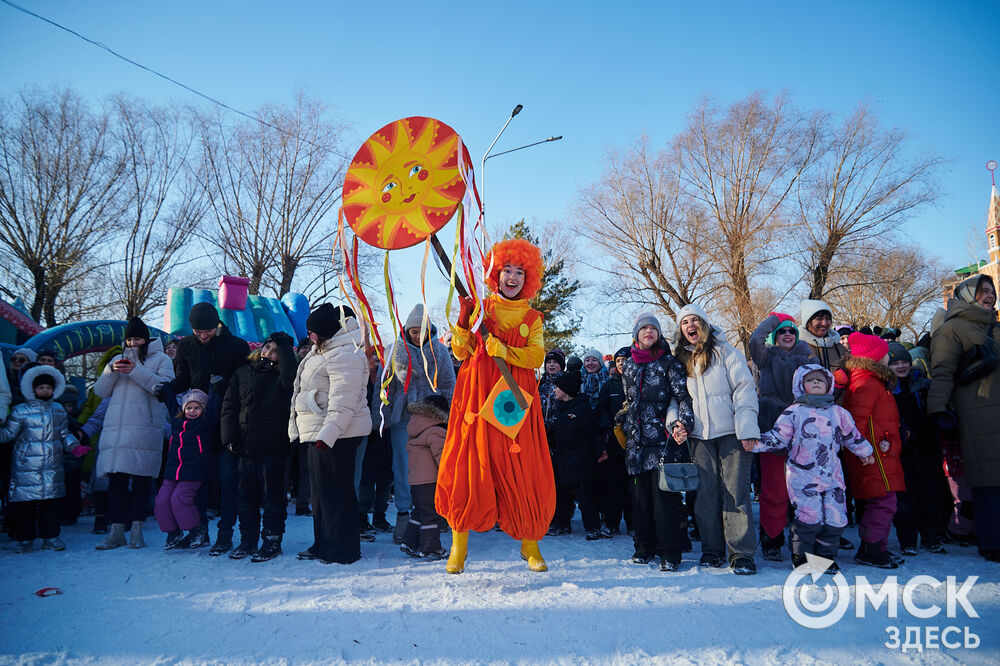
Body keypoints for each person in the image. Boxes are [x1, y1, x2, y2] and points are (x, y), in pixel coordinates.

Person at [436, 238, 556, 574]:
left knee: (522, 468)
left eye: (520, 271)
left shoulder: (532, 317)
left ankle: (530, 545)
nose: (513, 277)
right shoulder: (481, 308)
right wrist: (462, 322)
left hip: (512, 397)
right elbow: (460, 352)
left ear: (528, 277)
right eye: (507, 270)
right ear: (496, 274)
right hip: (476, 394)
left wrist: (504, 351)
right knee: (469, 464)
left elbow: (537, 356)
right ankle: (458, 547)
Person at [743, 365, 875, 573]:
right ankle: (802, 556)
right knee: (809, 517)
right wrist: (754, 443)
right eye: (810, 380)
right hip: (803, 477)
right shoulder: (793, 412)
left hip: (833, 477)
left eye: (820, 381)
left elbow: (852, 436)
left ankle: (825, 558)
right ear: (800, 385)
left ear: (829, 385)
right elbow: (778, 437)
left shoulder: (839, 413)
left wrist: (865, 452)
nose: (815, 383)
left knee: (836, 518)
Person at [674, 303, 760, 575]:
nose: (691, 325)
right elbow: (676, 399)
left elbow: (744, 391)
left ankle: (741, 553)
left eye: (695, 320)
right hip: (699, 438)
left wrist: (747, 430)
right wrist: (676, 423)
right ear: (681, 330)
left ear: (705, 324)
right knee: (705, 496)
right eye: (685, 322)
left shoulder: (726, 353)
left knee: (735, 492)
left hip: (732, 434)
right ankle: (712, 550)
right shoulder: (680, 360)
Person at [164, 302, 250, 555]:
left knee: (227, 479)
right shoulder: (187, 346)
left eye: (207, 331)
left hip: (226, 421)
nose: (203, 336)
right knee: (196, 480)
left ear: (217, 325)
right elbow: (182, 379)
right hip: (197, 426)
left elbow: (246, 381)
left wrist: (225, 383)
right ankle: (198, 529)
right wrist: (168, 389)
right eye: (198, 331)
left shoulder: (235, 346)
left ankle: (225, 533)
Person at [290, 304, 370, 565]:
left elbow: (343, 402)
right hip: (318, 431)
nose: (310, 337)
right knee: (321, 493)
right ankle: (323, 541)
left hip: (337, 434)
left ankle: (342, 548)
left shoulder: (346, 355)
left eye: (313, 332)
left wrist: (328, 435)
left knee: (337, 492)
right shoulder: (323, 351)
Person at [928, 274, 1000, 562]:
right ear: (968, 296)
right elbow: (942, 370)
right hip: (977, 411)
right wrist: (938, 409)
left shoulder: (995, 327)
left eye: (991, 290)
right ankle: (992, 541)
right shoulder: (953, 329)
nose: (990, 295)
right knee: (988, 479)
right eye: (982, 291)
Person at [620, 314, 694, 571]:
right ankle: (643, 547)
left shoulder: (668, 363)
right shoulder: (628, 365)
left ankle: (670, 553)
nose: (649, 331)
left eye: (653, 328)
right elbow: (630, 402)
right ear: (636, 334)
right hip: (636, 444)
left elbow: (683, 397)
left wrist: (682, 424)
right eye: (644, 328)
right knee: (640, 499)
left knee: (665, 500)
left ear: (659, 334)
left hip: (662, 442)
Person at [93, 317, 174, 550]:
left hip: (144, 428)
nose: (133, 342)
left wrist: (135, 371)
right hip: (116, 429)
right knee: (116, 481)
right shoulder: (118, 359)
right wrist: (110, 370)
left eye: (137, 338)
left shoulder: (161, 359)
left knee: (141, 480)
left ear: (146, 339)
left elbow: (165, 388)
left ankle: (137, 530)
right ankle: (116, 530)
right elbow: (100, 391)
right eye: (129, 339)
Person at [222, 331, 297, 562]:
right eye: (268, 348)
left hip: (273, 446)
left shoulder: (283, 375)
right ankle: (248, 540)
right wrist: (229, 437)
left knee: (272, 496)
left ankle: (272, 540)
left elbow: (289, 382)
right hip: (245, 445)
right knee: (246, 496)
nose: (269, 353)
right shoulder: (243, 372)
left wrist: (284, 353)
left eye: (276, 351)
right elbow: (230, 406)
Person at [386, 304, 457, 544]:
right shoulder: (396, 351)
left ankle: (436, 512)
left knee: (435, 468)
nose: (417, 335)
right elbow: (386, 386)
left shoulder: (440, 352)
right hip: (404, 418)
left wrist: (449, 416)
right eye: (413, 331)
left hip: (432, 418)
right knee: (404, 469)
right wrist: (382, 416)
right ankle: (404, 514)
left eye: (422, 330)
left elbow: (449, 384)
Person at [748, 312, 816, 561]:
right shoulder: (767, 357)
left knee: (804, 490)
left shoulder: (809, 358)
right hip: (772, 428)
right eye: (782, 332)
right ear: (776, 337)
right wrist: (774, 320)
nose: (787, 334)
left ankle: (803, 541)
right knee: (774, 489)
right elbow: (756, 339)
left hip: (803, 430)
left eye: (791, 331)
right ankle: (771, 537)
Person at [1, 364, 90, 552]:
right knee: (26, 507)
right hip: (26, 467)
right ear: (32, 389)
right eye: (41, 387)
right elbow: (9, 433)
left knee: (51, 505)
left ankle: (51, 537)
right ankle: (25, 539)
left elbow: (64, 434)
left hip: (52, 466)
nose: (45, 390)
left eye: (48, 387)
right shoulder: (20, 410)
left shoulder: (57, 410)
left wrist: (74, 447)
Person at [843, 332, 905, 569]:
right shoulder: (866, 383)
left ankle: (876, 547)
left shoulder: (873, 381)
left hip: (881, 452)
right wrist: (863, 450)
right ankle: (871, 548)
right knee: (883, 501)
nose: (889, 357)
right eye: (886, 354)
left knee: (882, 501)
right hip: (873, 455)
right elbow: (856, 423)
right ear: (875, 358)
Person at [887, 342, 949, 556]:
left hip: (926, 446)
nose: (902, 366)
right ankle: (908, 538)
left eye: (904, 361)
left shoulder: (922, 384)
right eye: (896, 363)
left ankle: (932, 535)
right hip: (900, 450)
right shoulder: (887, 388)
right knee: (905, 497)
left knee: (930, 493)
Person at [546, 371, 606, 541]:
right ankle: (561, 523)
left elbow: (591, 432)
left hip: (580, 459)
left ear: (566, 389)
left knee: (584, 495)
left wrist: (599, 450)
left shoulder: (582, 407)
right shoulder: (559, 408)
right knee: (561, 493)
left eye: (557, 387)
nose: (554, 390)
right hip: (562, 459)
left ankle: (593, 527)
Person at [156, 389, 214, 549]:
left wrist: (215, 389)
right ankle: (173, 532)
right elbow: (170, 402)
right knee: (161, 501)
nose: (192, 411)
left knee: (179, 499)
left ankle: (196, 530)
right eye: (189, 408)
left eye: (197, 408)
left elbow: (214, 409)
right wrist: (165, 389)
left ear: (203, 410)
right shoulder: (177, 425)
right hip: (172, 471)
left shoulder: (204, 425)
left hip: (193, 472)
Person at [400, 394, 450, 559]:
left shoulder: (416, 427)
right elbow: (441, 454)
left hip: (415, 479)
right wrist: (449, 471)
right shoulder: (435, 430)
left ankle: (409, 541)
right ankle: (431, 546)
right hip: (430, 479)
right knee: (430, 513)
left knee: (419, 511)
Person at [595, 346, 631, 536]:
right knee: (613, 485)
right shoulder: (609, 385)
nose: (622, 364)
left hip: (636, 442)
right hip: (614, 441)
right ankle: (611, 522)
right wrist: (607, 428)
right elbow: (601, 409)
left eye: (625, 360)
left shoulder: (637, 381)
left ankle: (634, 524)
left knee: (633, 488)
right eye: (618, 361)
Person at [798, 300, 849, 389]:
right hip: (808, 402)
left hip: (839, 402)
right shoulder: (798, 347)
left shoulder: (839, 348)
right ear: (807, 322)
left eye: (828, 319)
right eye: (819, 319)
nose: (824, 323)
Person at [538, 349, 565, 429]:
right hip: (540, 428)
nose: (551, 365)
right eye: (549, 362)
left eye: (555, 362)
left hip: (559, 428)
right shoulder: (539, 383)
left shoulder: (566, 383)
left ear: (561, 365)